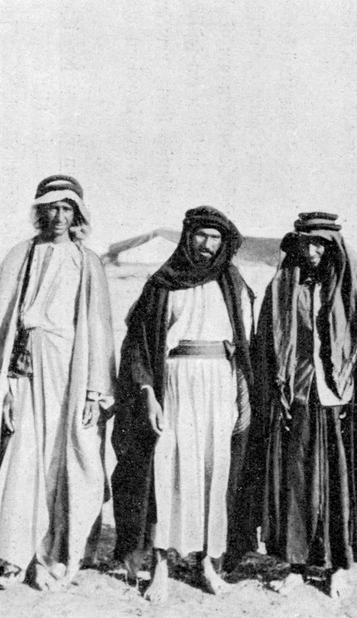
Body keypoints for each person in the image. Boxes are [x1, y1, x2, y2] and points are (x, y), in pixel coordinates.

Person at [0, 174, 116, 591]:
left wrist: (95, 393)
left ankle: (54, 556)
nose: (58, 216)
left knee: (67, 462)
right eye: (51, 208)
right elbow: (4, 326)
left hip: (72, 374)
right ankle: (16, 558)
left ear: (77, 214)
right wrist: (7, 382)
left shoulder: (88, 262)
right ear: (40, 212)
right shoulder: (21, 255)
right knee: (21, 458)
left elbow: (99, 331)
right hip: (25, 371)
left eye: (67, 208)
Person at [243, 212, 357, 596]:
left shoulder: (352, 289)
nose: (313, 251)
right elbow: (267, 345)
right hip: (295, 398)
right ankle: (295, 564)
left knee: (337, 486)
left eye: (321, 244)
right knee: (295, 482)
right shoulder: (284, 286)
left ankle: (336, 567)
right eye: (307, 243)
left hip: (338, 403)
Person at [111, 206, 254, 603]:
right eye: (200, 235)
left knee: (214, 470)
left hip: (220, 383)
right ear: (188, 237)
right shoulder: (163, 283)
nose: (207, 244)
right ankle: (161, 566)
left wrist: (242, 393)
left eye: (216, 237)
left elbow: (245, 344)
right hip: (174, 382)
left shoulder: (233, 282)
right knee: (168, 470)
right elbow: (138, 345)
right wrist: (148, 394)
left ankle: (208, 563)